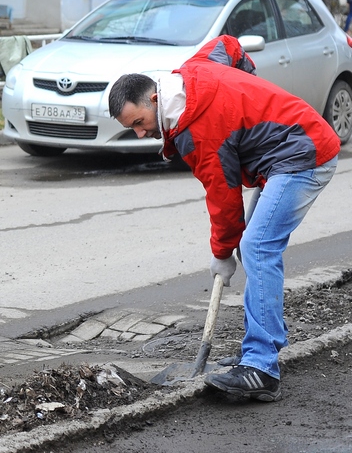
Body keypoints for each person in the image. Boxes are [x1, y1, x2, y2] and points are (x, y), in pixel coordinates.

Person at [108, 36, 339, 402]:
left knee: (257, 246)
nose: (141, 133)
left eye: (139, 122)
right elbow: (227, 45)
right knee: (255, 249)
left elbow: (223, 198)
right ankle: (260, 350)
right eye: (132, 128)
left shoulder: (197, 132)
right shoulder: (194, 70)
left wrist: (221, 253)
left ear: (155, 99)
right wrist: (247, 85)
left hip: (303, 153)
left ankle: (261, 368)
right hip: (283, 153)